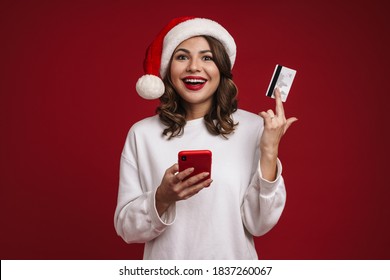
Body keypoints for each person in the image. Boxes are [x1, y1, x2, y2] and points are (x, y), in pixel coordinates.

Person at [114, 16, 297, 259]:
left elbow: (259, 224)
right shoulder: (142, 134)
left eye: (207, 57)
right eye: (182, 57)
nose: (194, 67)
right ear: (168, 69)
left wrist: (270, 152)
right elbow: (127, 229)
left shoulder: (255, 128)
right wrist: (162, 198)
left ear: (220, 68)